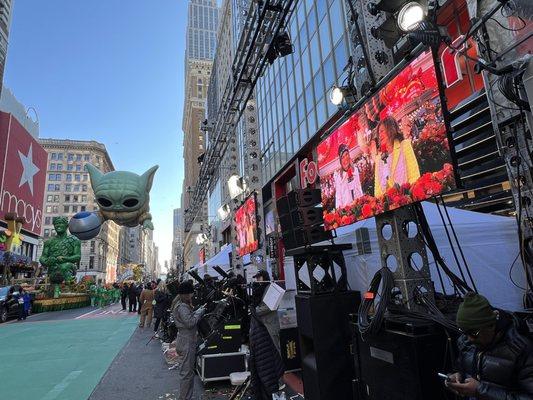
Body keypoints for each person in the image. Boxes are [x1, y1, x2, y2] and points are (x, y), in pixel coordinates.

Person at [446, 292, 533, 398]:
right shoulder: (465, 341)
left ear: (491, 326)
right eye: (465, 332)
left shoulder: (519, 348)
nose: (469, 338)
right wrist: (457, 376)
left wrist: (481, 391)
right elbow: (461, 368)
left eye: (474, 333)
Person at [249, 269, 284, 399]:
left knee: (275, 353)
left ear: (264, 277)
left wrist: (254, 311)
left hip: (270, 327)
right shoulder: (261, 289)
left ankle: (279, 383)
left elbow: (268, 306)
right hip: (262, 329)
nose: (257, 280)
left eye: (259, 277)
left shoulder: (271, 288)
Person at [173, 280, 205, 400]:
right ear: (186, 294)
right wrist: (200, 312)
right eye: (191, 293)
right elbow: (190, 322)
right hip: (186, 341)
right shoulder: (182, 307)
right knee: (186, 374)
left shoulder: (183, 305)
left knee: (188, 373)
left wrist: (196, 311)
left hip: (185, 340)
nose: (193, 296)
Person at [374, 116, 420, 197]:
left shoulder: (405, 145)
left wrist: (411, 195)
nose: (379, 135)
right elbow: (377, 188)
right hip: (392, 202)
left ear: (390, 130)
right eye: (378, 133)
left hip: (409, 195)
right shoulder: (379, 159)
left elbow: (414, 174)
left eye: (382, 131)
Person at [333, 143, 363, 209]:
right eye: (342, 157)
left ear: (349, 155)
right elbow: (338, 198)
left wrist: (361, 201)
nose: (345, 159)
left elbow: (359, 188)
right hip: (347, 211)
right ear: (340, 161)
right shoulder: (338, 178)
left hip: (358, 207)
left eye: (346, 154)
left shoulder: (355, 170)